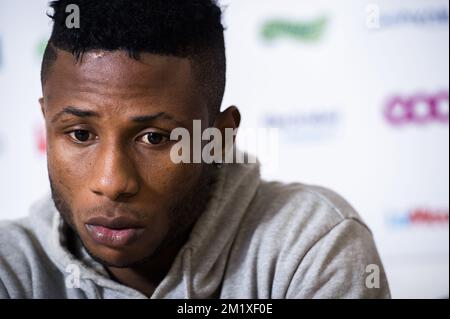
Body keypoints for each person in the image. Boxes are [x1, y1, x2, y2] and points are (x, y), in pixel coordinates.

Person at [0, 0, 390, 299]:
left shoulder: (310, 246)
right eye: (80, 134)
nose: (112, 182)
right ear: (47, 121)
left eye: (155, 138)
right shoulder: (9, 266)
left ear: (219, 137)